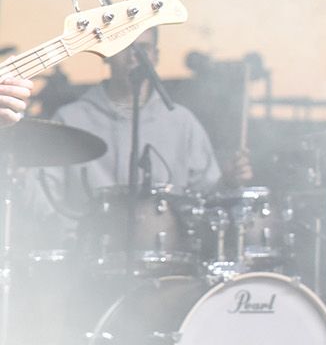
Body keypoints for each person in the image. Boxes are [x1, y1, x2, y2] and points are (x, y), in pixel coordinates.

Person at [36, 30, 248, 223]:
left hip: (167, 255)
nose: (133, 57)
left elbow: (205, 199)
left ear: (156, 56)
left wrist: (227, 182)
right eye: (124, 47)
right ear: (107, 55)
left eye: (143, 48)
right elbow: (42, 195)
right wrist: (72, 236)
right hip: (88, 256)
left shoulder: (182, 122)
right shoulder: (69, 119)